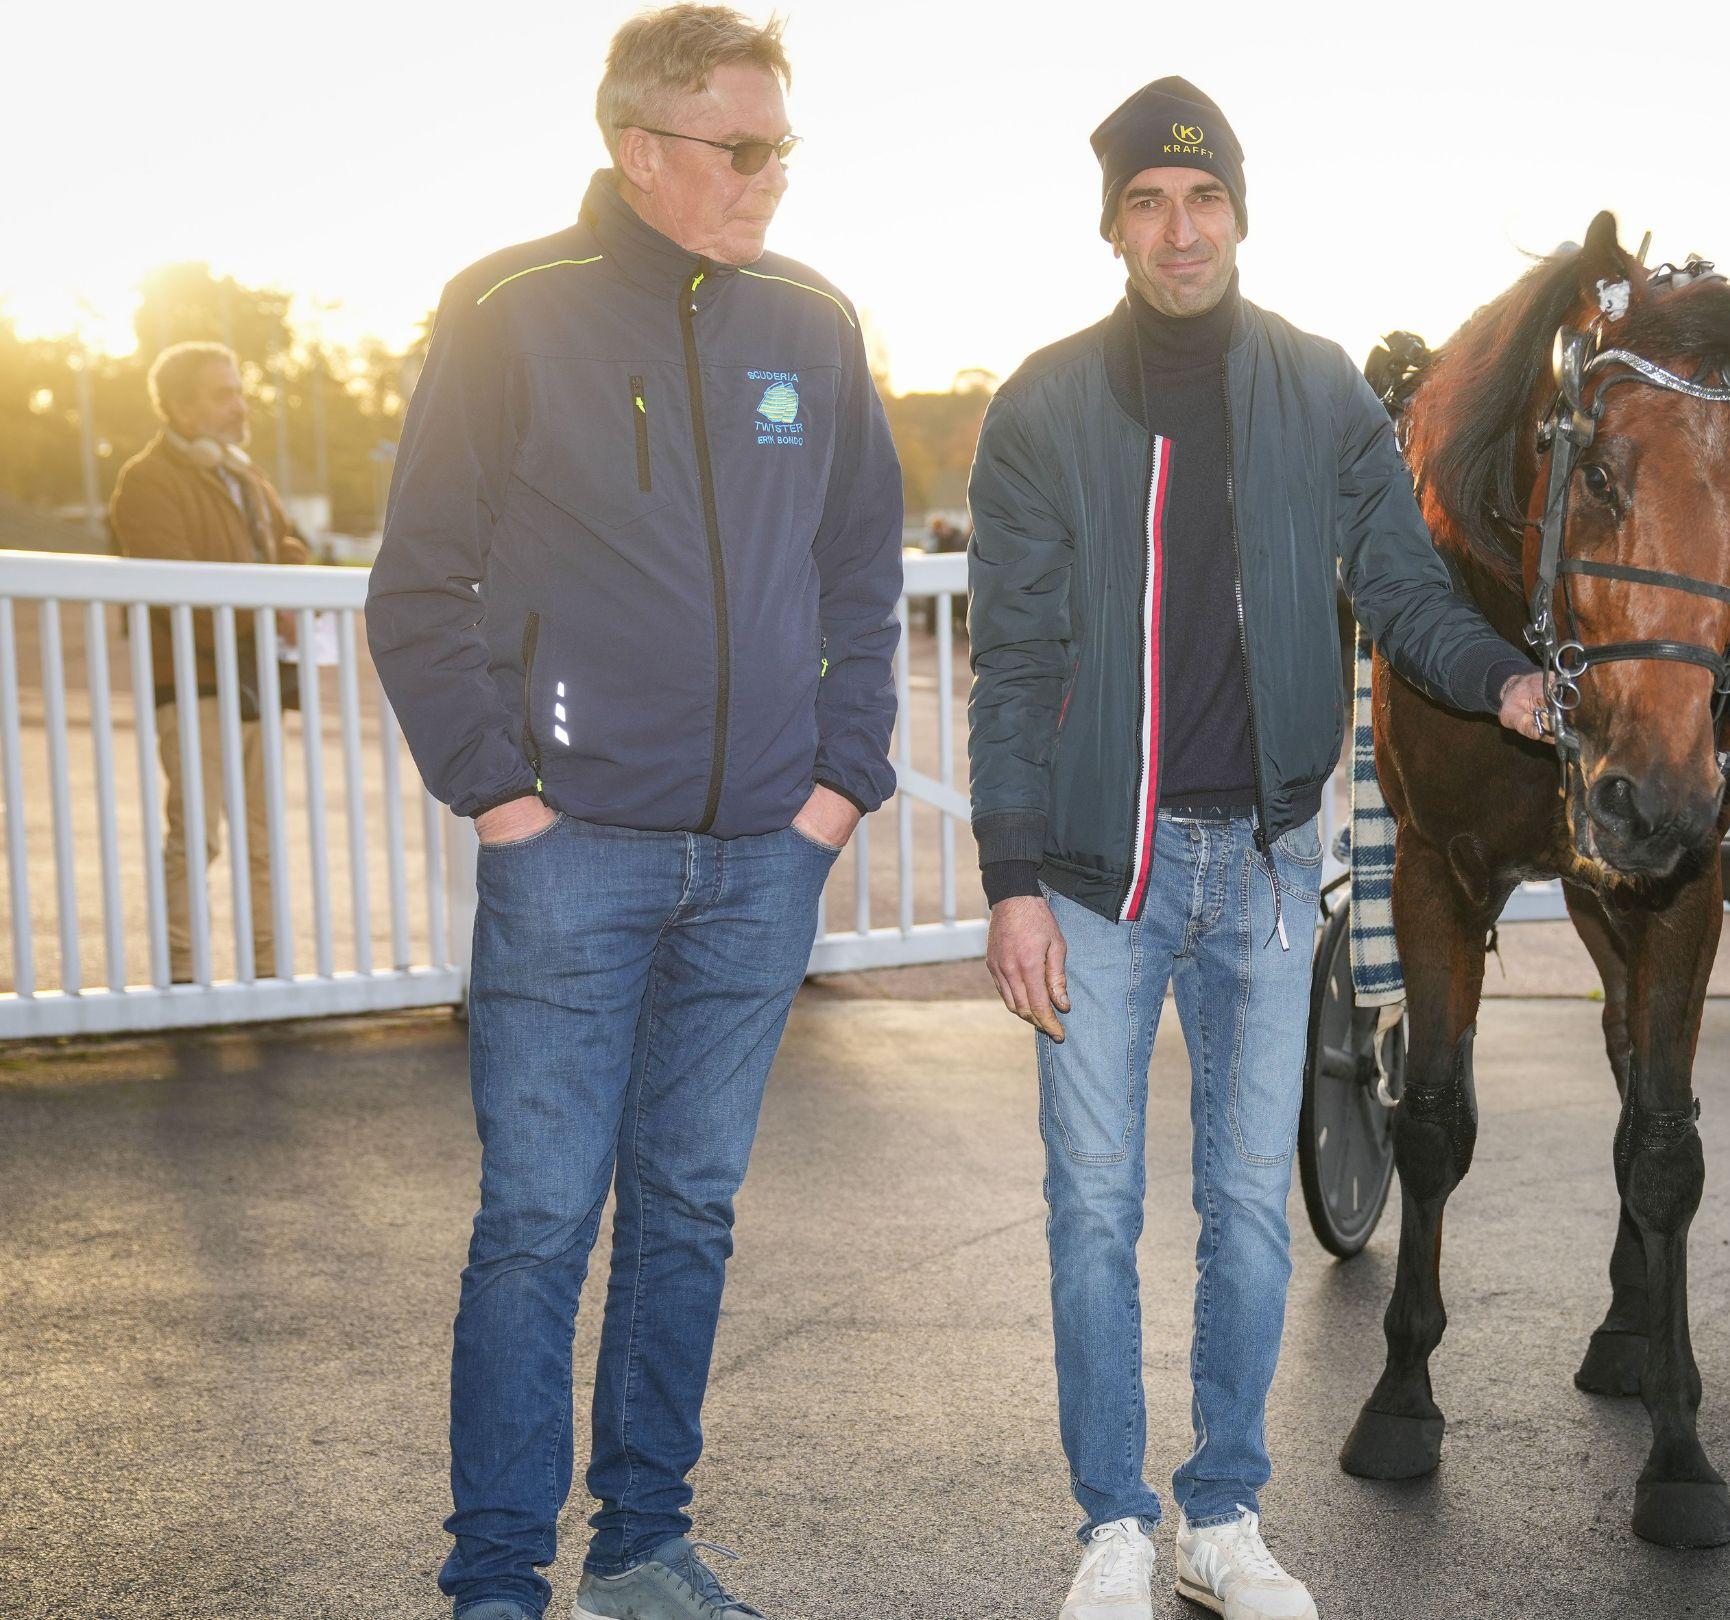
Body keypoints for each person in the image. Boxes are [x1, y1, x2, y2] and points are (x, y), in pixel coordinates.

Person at [966, 76, 1545, 1620]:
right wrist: (1010, 881)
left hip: (1275, 868)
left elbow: (1405, 592)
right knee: (1093, 1207)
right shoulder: (1040, 406)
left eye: (1203, 198)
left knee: (1242, 1206)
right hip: (1103, 875)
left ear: (1239, 210)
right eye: (1148, 205)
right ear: (1115, 227)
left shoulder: (1318, 390)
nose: (1180, 228)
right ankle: (1110, 1522)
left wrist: (1505, 677)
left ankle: (1220, 1514)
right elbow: (1012, 664)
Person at [366, 8, 902, 1617]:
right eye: (743, 149)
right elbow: (420, 584)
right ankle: (498, 1579)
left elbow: (861, 572)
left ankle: (644, 1549)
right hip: (570, 850)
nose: (772, 179)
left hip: (764, 859)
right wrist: (504, 798)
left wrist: (837, 783)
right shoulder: (508, 307)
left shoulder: (813, 320)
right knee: (536, 1220)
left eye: (783, 147)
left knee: (693, 1212)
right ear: (638, 146)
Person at [108, 341, 310, 984]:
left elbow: (280, 552)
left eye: (239, 390)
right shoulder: (146, 479)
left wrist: (290, 565)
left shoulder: (245, 474)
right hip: (193, 686)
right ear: (179, 405)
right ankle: (185, 981)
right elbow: (177, 590)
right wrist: (267, 603)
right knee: (196, 838)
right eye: (223, 394)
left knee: (262, 841)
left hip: (255, 683)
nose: (239, 404)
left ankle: (270, 978)